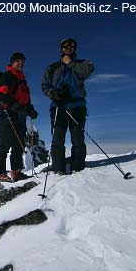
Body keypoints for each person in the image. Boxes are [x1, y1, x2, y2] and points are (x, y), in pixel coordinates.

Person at [41, 38, 94, 174]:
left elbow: (89, 70)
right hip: (58, 106)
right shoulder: (52, 68)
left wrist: (70, 63)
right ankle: (58, 169)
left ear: (74, 49)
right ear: (61, 49)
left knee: (77, 138)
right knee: (57, 139)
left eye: (71, 47)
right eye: (65, 47)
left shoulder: (81, 64)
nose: (68, 48)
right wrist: (54, 93)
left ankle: (78, 168)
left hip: (77, 106)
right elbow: (44, 86)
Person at [0, 52, 38, 182]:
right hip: (7, 114)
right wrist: (15, 106)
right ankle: (0, 172)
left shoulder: (22, 80)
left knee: (19, 144)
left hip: (20, 115)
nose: (21, 63)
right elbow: (1, 94)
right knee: (5, 143)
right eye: (18, 61)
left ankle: (16, 172)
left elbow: (26, 99)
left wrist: (30, 110)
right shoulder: (6, 76)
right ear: (12, 63)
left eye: (23, 61)